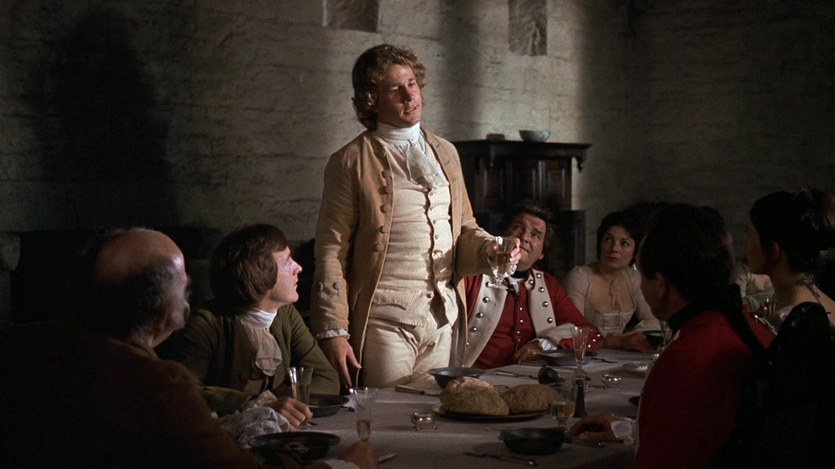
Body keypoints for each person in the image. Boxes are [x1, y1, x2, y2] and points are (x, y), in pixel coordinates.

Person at [0, 228, 377, 468]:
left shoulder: (22, 346)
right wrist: (346, 467)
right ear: (168, 311)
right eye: (183, 283)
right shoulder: (159, 385)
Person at [310, 44, 501, 389]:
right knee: (389, 415)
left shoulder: (446, 152)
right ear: (372, 100)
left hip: (442, 318)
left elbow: (464, 228)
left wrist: (491, 250)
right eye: (394, 89)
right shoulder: (350, 161)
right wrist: (333, 330)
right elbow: (331, 250)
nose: (409, 95)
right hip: (385, 322)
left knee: (434, 414)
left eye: (412, 83)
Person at [568, 204, 774, 469]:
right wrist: (627, 429)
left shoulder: (687, 357)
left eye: (642, 275)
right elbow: (706, 431)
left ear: (661, 286)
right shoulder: (751, 328)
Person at [159, 224, 339, 427]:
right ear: (260, 272)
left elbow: (326, 377)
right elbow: (181, 391)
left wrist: (281, 401)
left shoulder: (285, 313)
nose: (298, 268)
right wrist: (255, 403)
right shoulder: (206, 322)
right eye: (287, 261)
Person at [462, 200, 602, 367]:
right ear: (502, 233)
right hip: (476, 377)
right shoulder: (474, 276)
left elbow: (588, 333)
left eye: (536, 235)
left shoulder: (548, 285)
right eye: (518, 227)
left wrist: (546, 344)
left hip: (531, 377)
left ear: (542, 252)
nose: (524, 237)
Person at [563, 211, 659, 352]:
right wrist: (609, 342)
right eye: (608, 240)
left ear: (635, 251)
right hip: (585, 353)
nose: (614, 249)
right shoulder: (580, 277)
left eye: (624, 243)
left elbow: (653, 320)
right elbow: (572, 327)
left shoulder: (634, 278)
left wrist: (625, 339)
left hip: (619, 354)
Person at [747, 188, 835, 329]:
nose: (746, 244)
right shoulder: (816, 297)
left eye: (749, 236)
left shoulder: (784, 323)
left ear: (773, 250)